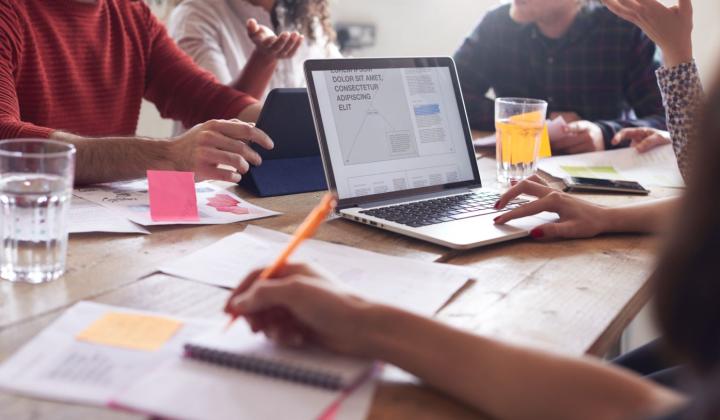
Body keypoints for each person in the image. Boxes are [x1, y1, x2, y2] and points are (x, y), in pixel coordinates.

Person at [0, 0, 275, 185]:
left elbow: (205, 98)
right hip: (26, 226)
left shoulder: (132, 14)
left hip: (112, 224)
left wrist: (288, 122)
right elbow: (4, 136)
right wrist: (168, 154)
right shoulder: (9, 11)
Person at [454, 0, 667, 155]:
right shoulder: (496, 24)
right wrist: (533, 120)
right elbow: (451, 97)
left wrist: (603, 133)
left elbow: (667, 118)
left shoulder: (625, 29)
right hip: (517, 169)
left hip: (600, 175)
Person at [167, 0, 341, 104]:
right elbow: (213, 112)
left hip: (285, 161)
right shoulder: (195, 15)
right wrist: (264, 59)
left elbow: (337, 86)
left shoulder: (305, 15)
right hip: (215, 164)